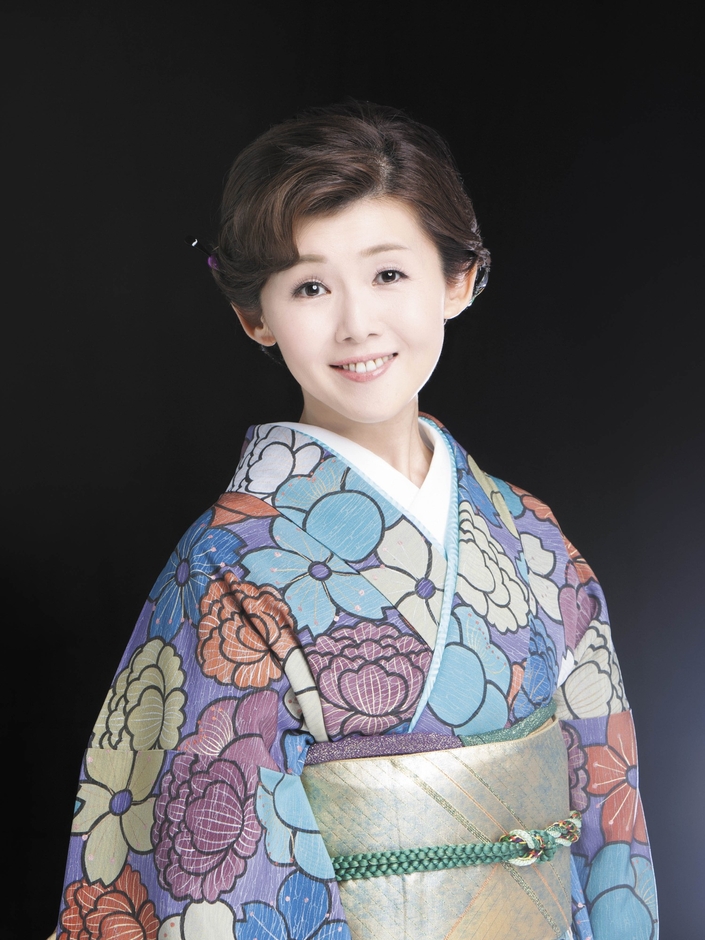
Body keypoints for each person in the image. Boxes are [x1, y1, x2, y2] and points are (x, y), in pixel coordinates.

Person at [53, 102, 657, 940]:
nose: (356, 323)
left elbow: (607, 809)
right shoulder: (230, 568)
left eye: (388, 275)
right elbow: (220, 884)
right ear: (255, 316)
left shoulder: (529, 533)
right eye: (310, 287)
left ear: (457, 280)